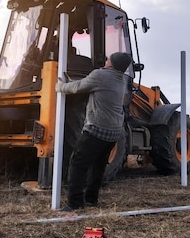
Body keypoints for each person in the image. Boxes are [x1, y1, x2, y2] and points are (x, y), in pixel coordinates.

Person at [55, 51, 132, 210]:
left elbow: (78, 87)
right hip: (114, 132)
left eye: (108, 58)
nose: (106, 60)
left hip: (97, 129)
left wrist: (61, 87)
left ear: (111, 63)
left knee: (78, 163)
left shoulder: (100, 75)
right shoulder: (121, 80)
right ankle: (91, 198)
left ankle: (75, 203)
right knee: (99, 165)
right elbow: (91, 85)